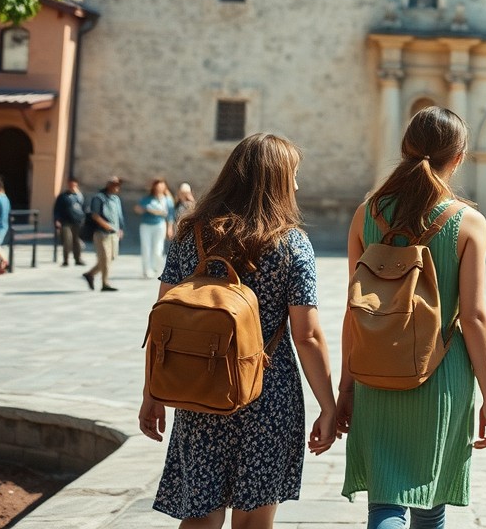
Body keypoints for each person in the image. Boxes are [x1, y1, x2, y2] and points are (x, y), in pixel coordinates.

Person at [138, 133, 337, 528]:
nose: (297, 185)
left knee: (199, 518)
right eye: (293, 175)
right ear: (277, 181)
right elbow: (307, 335)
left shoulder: (191, 235)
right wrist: (328, 406)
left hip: (198, 388)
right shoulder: (291, 244)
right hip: (267, 393)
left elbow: (161, 323)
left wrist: (152, 394)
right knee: (252, 523)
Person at [336, 106, 486, 529]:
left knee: (386, 503)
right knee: (431, 504)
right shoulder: (468, 222)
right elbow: (475, 316)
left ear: (405, 149)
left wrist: (345, 388)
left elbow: (354, 309)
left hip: (374, 370)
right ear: (459, 157)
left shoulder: (365, 214)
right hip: (440, 371)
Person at [82, 176, 125, 293]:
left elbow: (119, 215)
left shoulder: (116, 199)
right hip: (102, 233)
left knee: (111, 258)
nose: (117, 188)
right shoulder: (99, 198)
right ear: (109, 185)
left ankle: (90, 274)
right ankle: (105, 283)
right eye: (115, 185)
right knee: (105, 258)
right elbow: (95, 215)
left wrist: (121, 228)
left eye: (118, 186)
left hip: (114, 233)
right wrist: (105, 225)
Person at [135, 178, 175, 278]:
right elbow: (137, 209)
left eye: (161, 185)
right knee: (146, 247)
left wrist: (170, 228)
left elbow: (170, 215)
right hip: (146, 225)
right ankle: (147, 270)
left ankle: (155, 267)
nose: (159, 188)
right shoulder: (147, 199)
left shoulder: (167, 200)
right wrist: (145, 209)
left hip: (160, 225)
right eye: (157, 186)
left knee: (158, 249)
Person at [53, 177, 86, 266]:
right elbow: (57, 209)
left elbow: (84, 208)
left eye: (74, 185)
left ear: (76, 185)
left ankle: (78, 259)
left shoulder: (80, 196)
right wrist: (57, 220)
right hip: (65, 222)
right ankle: (66, 260)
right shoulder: (63, 196)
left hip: (77, 222)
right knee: (67, 241)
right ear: (68, 185)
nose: (72, 186)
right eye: (71, 185)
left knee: (77, 241)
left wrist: (84, 219)